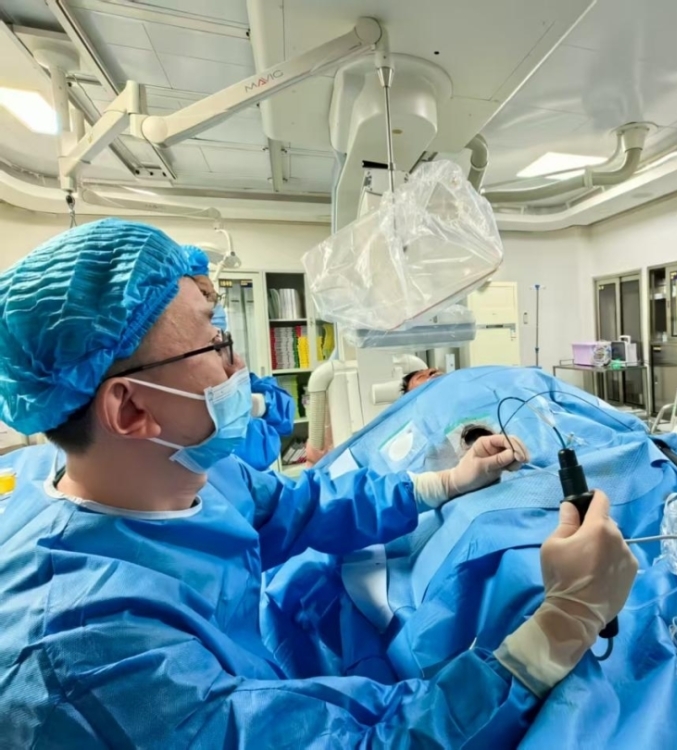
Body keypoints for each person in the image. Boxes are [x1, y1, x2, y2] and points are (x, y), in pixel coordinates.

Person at [0, 219, 638, 748]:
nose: (239, 366)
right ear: (132, 409)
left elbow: (305, 506)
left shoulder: (190, 472)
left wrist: (447, 481)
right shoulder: (94, 661)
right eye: (216, 344)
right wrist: (562, 625)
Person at [187, 247, 295, 470]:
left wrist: (258, 403)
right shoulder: (180, 377)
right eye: (205, 294)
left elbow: (284, 409)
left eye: (215, 297)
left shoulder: (225, 357)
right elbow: (256, 452)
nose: (215, 305)